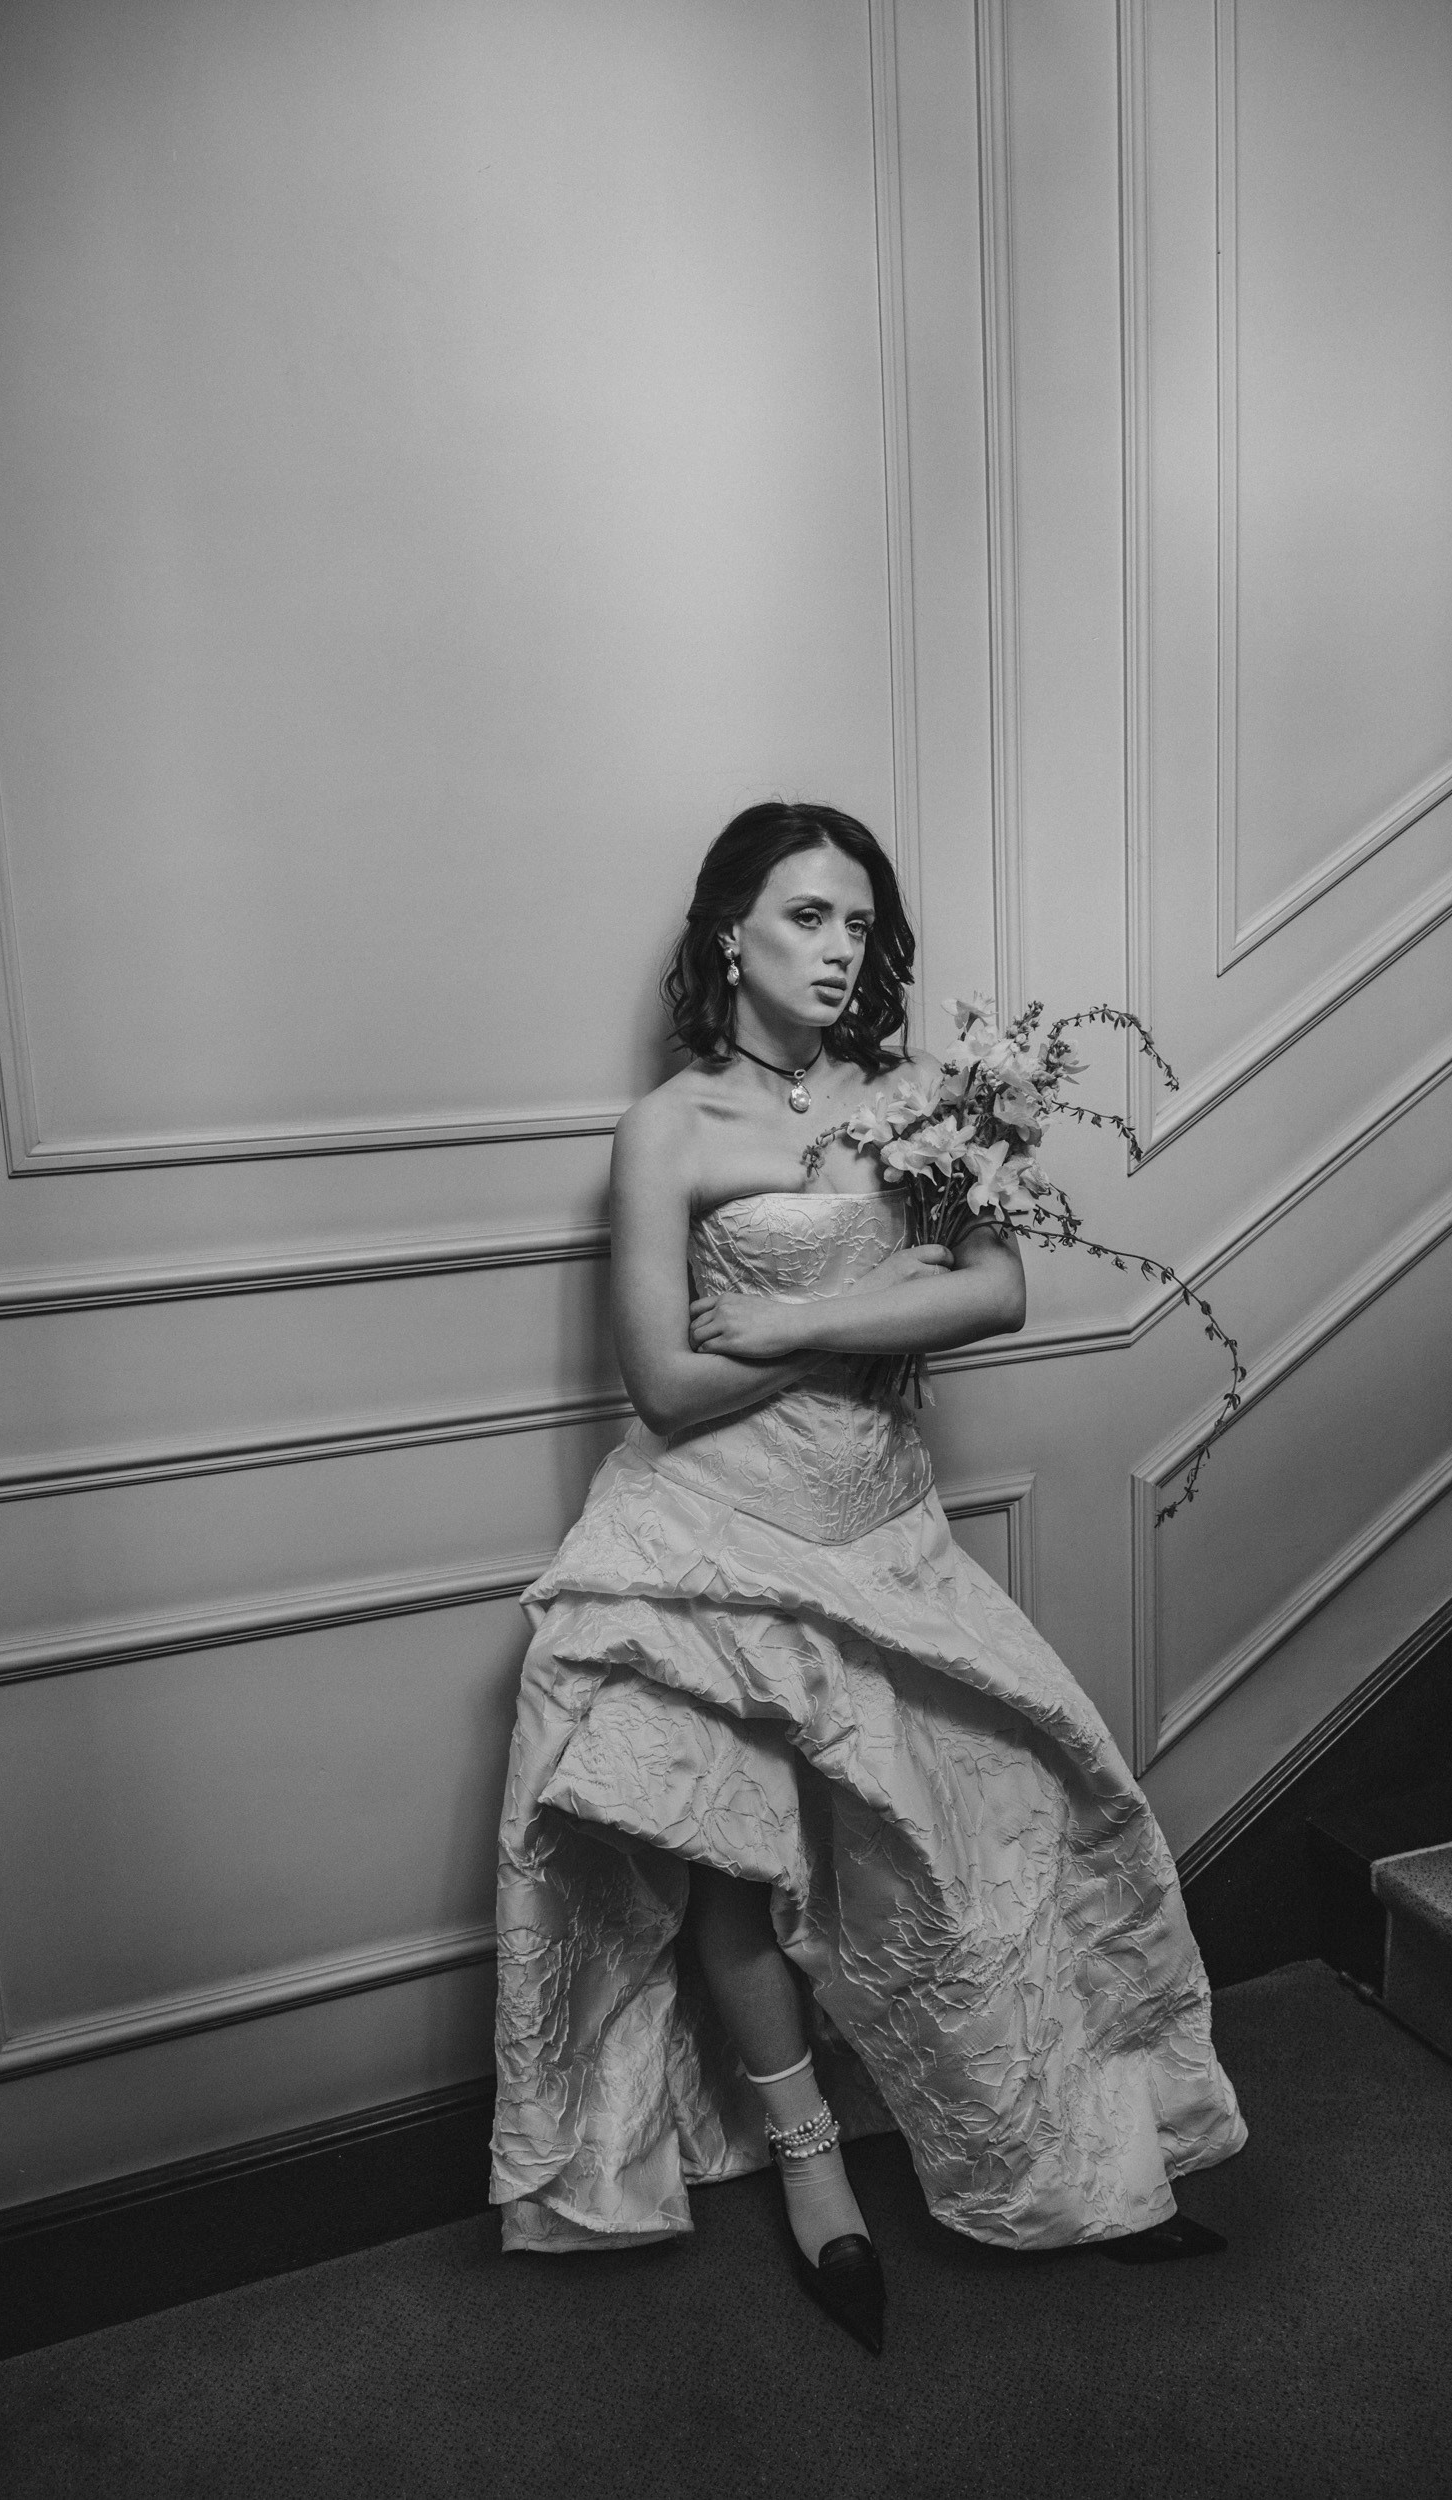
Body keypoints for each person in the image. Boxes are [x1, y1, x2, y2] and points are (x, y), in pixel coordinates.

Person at [489, 802, 1245, 2352]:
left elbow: (997, 1289)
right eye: (805, 917)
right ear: (729, 936)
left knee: (987, 1834)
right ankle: (810, 2168)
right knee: (733, 1856)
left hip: (888, 1534)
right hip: (713, 1542)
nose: (840, 951)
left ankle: (1062, 2151)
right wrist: (868, 1307)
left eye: (857, 923)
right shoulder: (669, 1129)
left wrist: (787, 1321)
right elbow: (666, 1386)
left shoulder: (920, 1101)